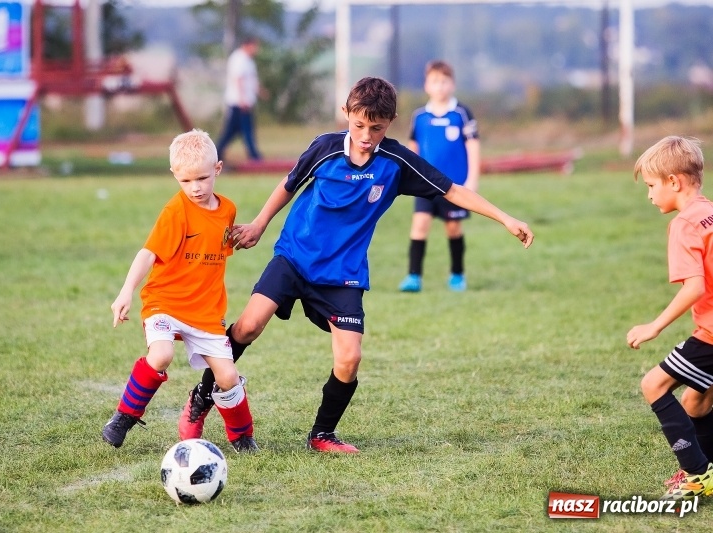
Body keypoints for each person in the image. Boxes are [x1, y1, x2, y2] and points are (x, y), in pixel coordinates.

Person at [178, 77, 534, 453]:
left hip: (342, 274)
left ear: (391, 122)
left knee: (349, 359)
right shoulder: (325, 148)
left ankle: (322, 434)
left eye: (376, 128)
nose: (366, 135)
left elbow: (453, 190)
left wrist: (506, 218)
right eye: (359, 125)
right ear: (346, 114)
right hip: (295, 256)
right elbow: (290, 183)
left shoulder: (396, 162)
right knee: (248, 326)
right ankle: (202, 396)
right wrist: (259, 224)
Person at [102, 129, 258, 454]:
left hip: (205, 311)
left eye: (202, 178)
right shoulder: (176, 211)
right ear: (175, 175)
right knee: (161, 355)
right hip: (165, 302)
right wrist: (126, 291)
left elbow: (214, 247)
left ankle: (242, 436)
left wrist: (238, 238)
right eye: (186, 181)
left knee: (228, 376)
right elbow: (148, 253)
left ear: (217, 169)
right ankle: (124, 416)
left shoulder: (227, 209)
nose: (195, 188)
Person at [628, 135, 713, 500]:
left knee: (653, 384)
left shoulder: (685, 224)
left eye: (651, 186)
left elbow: (694, 286)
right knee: (697, 399)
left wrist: (654, 326)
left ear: (674, 181)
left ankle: (697, 474)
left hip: (711, 333)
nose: (649, 195)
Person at [399, 60, 480, 293]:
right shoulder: (419, 116)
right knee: (419, 225)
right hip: (425, 185)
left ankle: (457, 275)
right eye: (435, 81)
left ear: (452, 84)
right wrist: (407, 177)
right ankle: (413, 277)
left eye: (444, 81)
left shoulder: (461, 114)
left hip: (455, 185)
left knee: (453, 227)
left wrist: (473, 179)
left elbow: (473, 146)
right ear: (426, 85)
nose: (440, 86)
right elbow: (411, 149)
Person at [216, 36, 262, 162]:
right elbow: (238, 79)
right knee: (246, 130)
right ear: (248, 45)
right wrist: (242, 99)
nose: (257, 49)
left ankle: (216, 152)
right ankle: (255, 157)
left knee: (232, 132)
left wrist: (259, 91)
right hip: (239, 103)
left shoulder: (248, 60)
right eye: (255, 46)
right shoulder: (239, 59)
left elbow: (250, 80)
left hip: (245, 101)